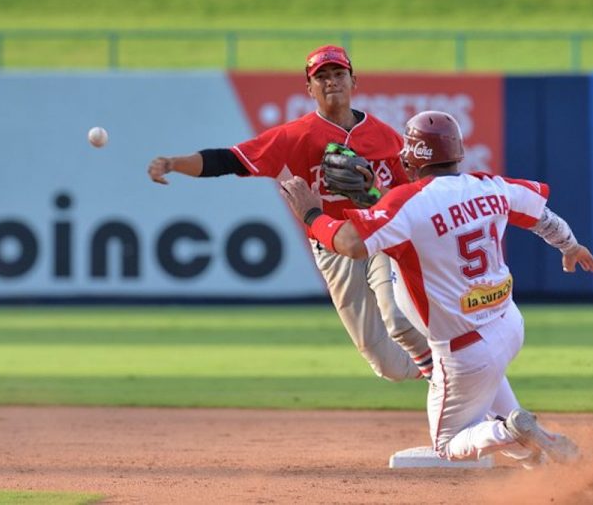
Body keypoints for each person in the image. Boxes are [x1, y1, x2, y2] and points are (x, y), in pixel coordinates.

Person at [279, 110, 593, 466]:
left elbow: (351, 243)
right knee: (494, 396)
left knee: (448, 443)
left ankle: (510, 431)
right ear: (458, 151)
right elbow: (543, 217)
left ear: (411, 156)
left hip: (463, 351)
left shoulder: (407, 206)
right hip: (508, 325)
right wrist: (570, 247)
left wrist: (311, 215)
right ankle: (549, 460)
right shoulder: (490, 186)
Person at [147, 44, 432, 382]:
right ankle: (438, 371)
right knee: (387, 364)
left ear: (354, 80)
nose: (331, 82)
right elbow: (230, 159)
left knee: (398, 318)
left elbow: (409, 199)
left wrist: (371, 194)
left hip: (378, 238)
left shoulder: (386, 138)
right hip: (333, 246)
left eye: (338, 74)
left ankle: (451, 377)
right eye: (321, 77)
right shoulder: (294, 136)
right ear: (309, 89)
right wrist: (174, 164)